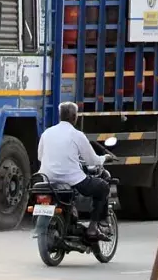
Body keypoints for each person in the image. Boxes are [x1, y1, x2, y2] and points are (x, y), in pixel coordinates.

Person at [36, 101, 113, 240]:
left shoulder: (47, 133)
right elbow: (92, 160)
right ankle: (93, 227)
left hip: (47, 177)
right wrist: (105, 158)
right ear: (74, 117)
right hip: (71, 179)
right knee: (102, 187)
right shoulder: (77, 135)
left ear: (60, 116)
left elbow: (40, 156)